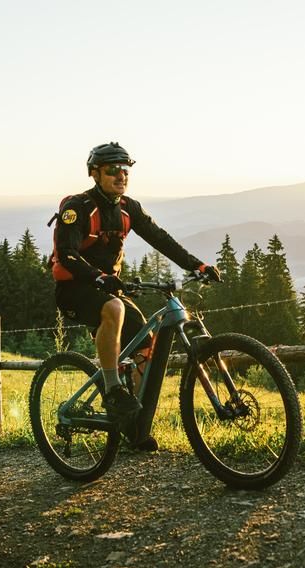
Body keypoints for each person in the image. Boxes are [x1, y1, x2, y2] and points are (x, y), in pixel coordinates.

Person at [49, 142, 221, 419]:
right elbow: (66, 254)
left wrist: (197, 265)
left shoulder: (129, 208)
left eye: (126, 170)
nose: (121, 176)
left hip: (107, 288)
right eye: (113, 170)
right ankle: (113, 390)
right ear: (95, 174)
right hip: (73, 289)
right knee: (115, 308)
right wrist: (98, 277)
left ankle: (136, 425)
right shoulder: (77, 207)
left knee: (145, 347)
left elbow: (160, 239)